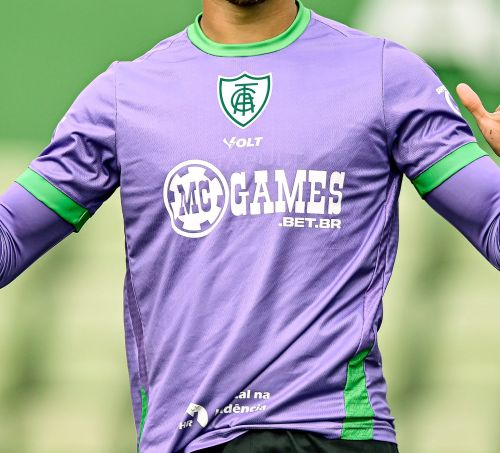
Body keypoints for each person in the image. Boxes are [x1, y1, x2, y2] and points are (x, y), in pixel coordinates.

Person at [0, 0, 498, 452]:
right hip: (190, 439)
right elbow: (10, 240)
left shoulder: (386, 75)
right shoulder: (123, 95)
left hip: (333, 435)